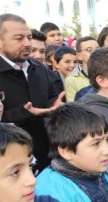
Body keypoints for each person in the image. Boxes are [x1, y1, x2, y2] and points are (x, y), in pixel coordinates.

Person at [0, 14, 65, 173]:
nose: (27, 43)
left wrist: (54, 105)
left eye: (29, 37)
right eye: (19, 38)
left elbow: (49, 98)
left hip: (49, 159)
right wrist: (23, 113)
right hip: (12, 166)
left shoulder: (39, 68)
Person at [64, 37, 97, 102]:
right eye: (89, 50)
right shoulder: (71, 80)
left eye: (98, 49)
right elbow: (74, 107)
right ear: (79, 56)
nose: (95, 53)